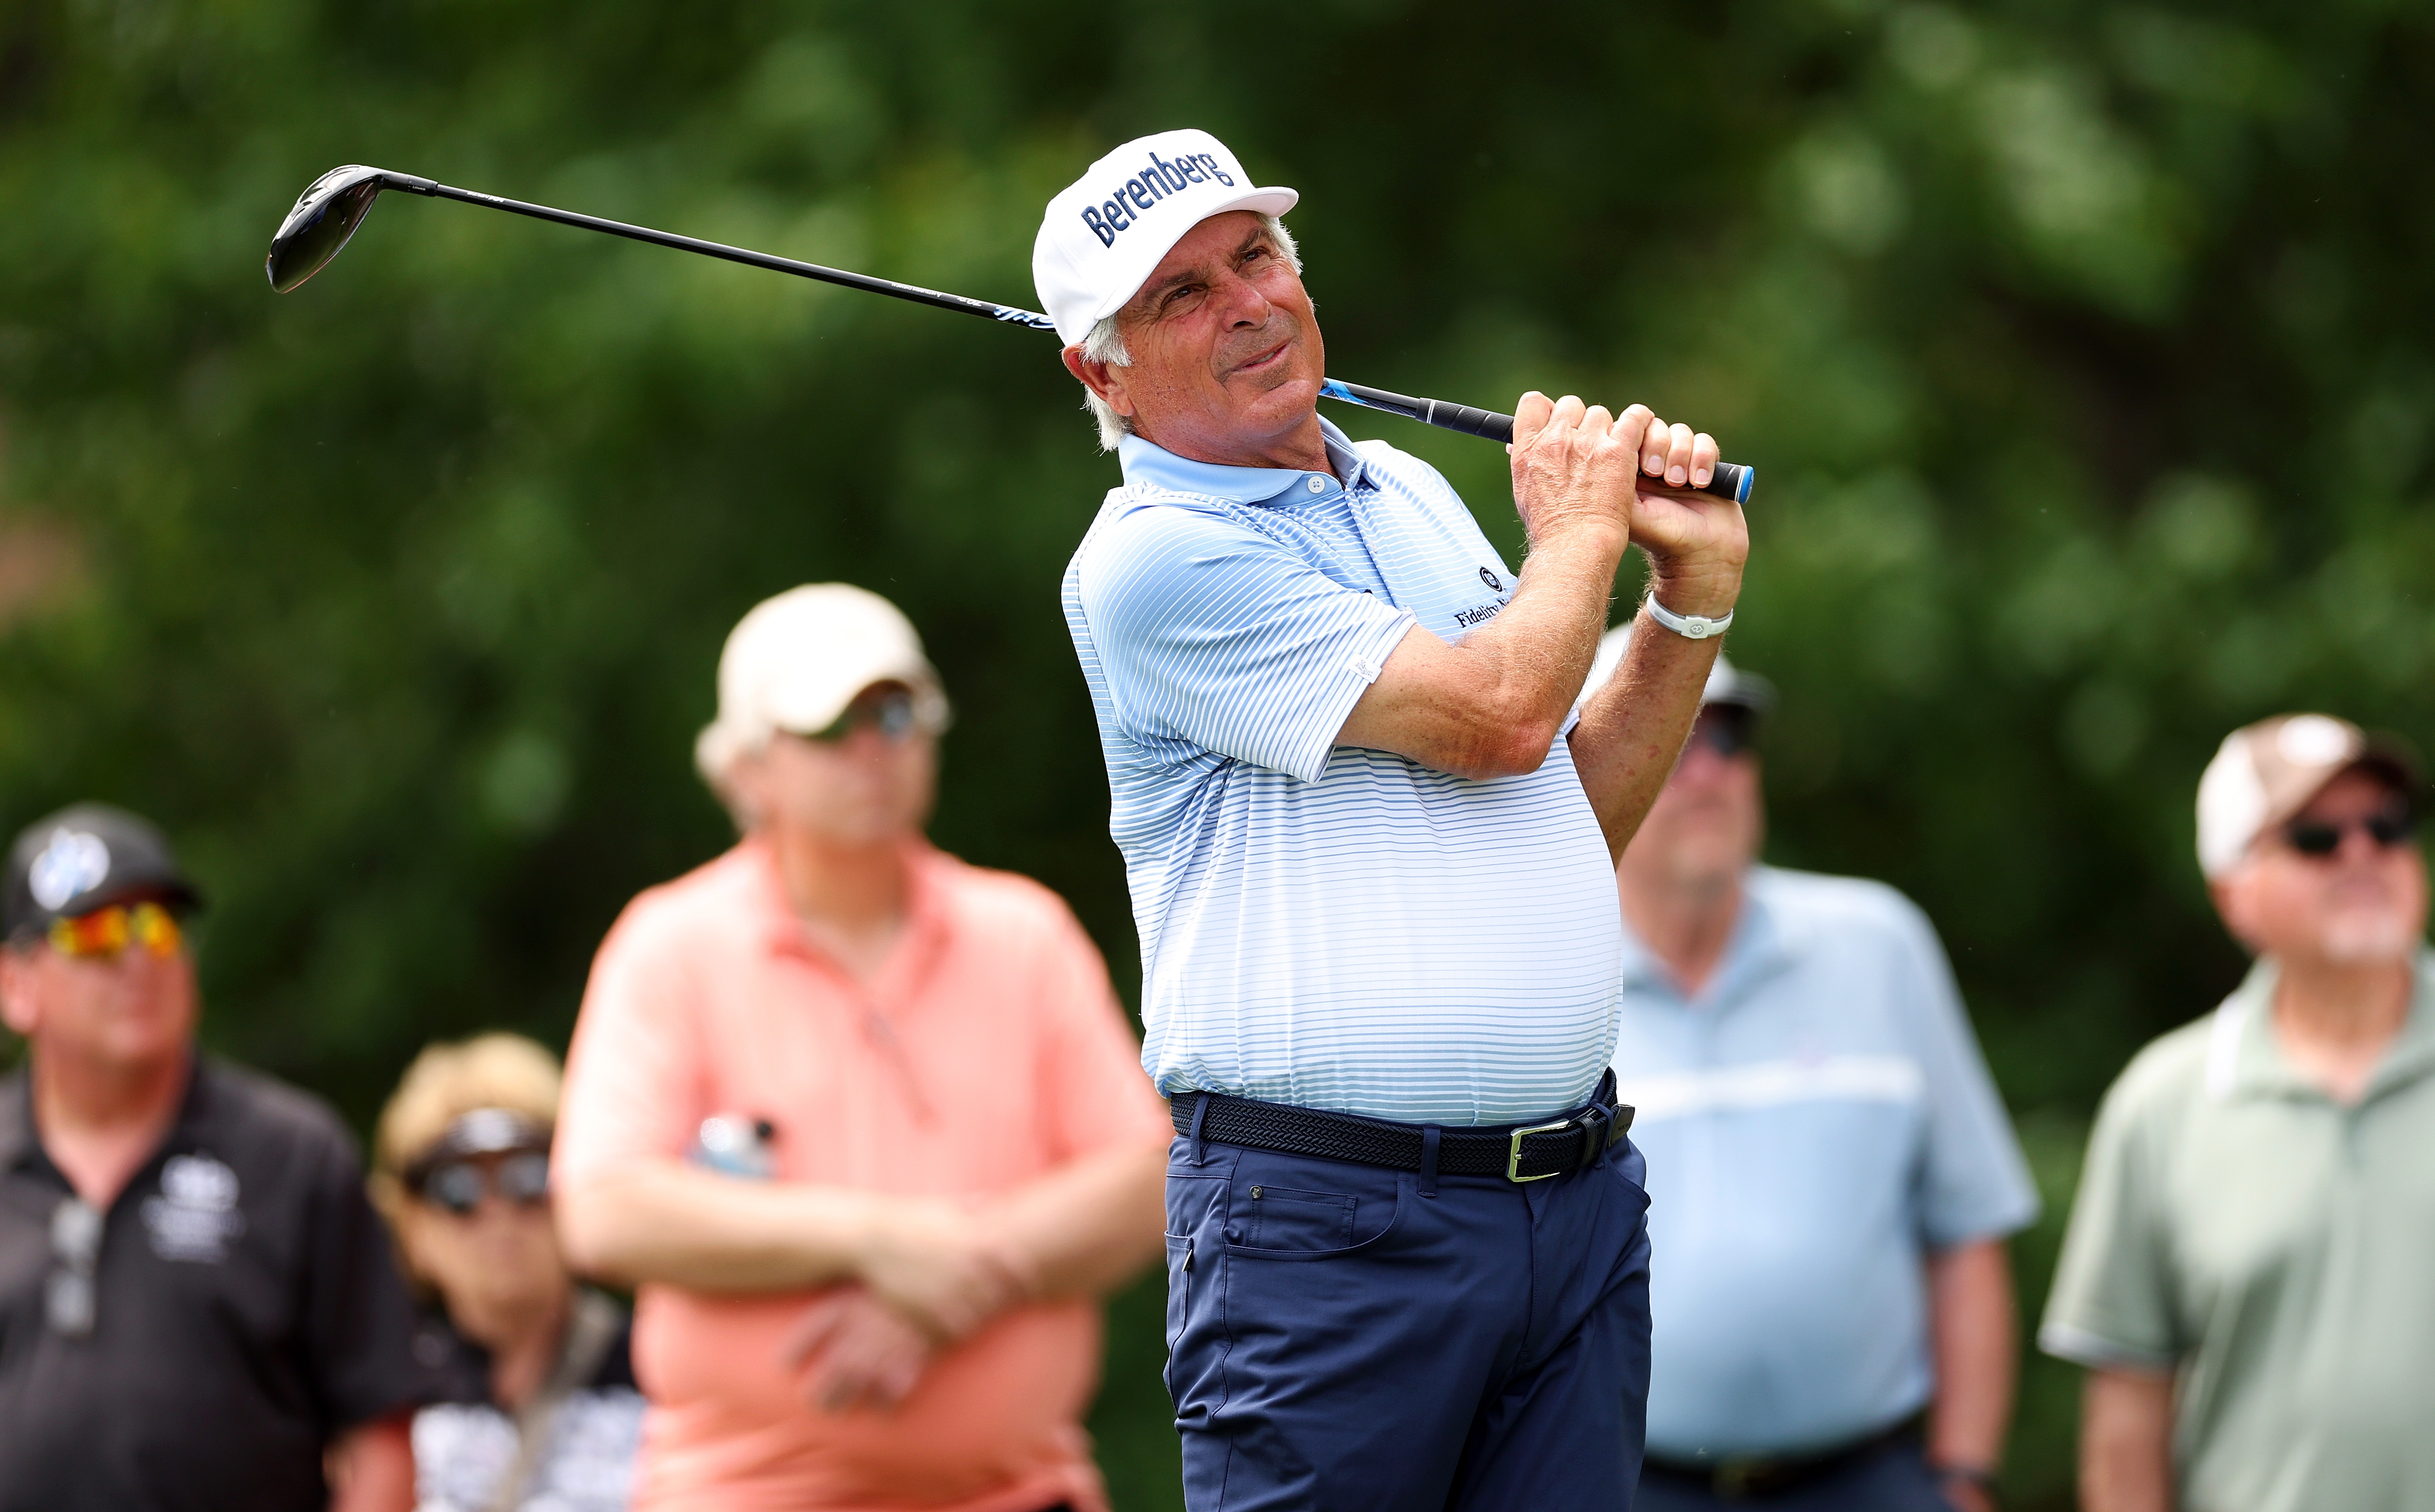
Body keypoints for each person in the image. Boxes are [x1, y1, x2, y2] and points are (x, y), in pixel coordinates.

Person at [1044, 129, 1749, 1509]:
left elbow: (1561, 823)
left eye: (1255, 257)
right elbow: (1500, 715)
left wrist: (1689, 601)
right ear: (1099, 368)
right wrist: (1582, 533)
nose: (1246, 301)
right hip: (1329, 1234)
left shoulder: (1411, 491)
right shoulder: (1152, 561)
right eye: (1179, 295)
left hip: (1572, 1207)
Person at [552, 584, 1174, 1512]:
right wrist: (877, 1242)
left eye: (893, 714)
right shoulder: (670, 944)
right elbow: (607, 1211)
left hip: (1021, 1491)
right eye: (828, 724)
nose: (870, 750)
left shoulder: (1023, 933)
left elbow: (1148, 1179)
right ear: (747, 769)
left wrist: (959, 1275)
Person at [1586, 630, 2038, 1512]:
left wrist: (1966, 1476)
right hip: (1629, 1489)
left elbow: (1967, 1232)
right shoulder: (1540, 985)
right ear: (1589, 768)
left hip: (1874, 1482)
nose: (1709, 770)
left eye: (1729, 740)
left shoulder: (1878, 943)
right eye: (1675, 737)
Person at [2041, 712, 2435, 1512]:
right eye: (2315, 836)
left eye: (2386, 825)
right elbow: (2125, 1425)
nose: (2362, 850)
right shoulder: (2163, 1101)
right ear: (2234, 892)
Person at [0, 802, 430, 1512]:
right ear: (17, 986)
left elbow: (379, 1435)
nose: (139, 959)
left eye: (159, 927)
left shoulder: (292, 1155)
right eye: (98, 934)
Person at [370, 1032, 642, 1512]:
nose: (499, 1215)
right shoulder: (383, 1394)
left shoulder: (662, 1369)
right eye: (457, 1190)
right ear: (412, 1227)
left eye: (531, 1176)